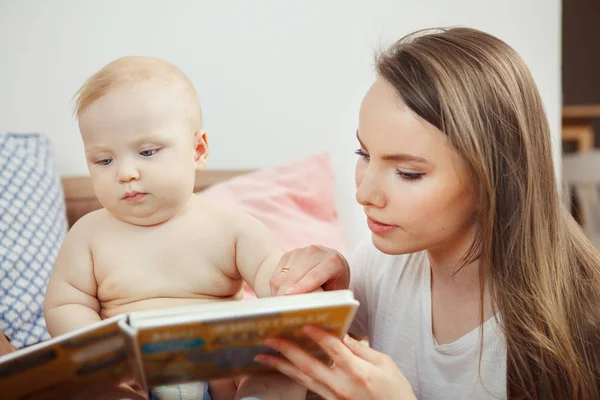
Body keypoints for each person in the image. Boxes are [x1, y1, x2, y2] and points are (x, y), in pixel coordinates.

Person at [266, 27, 600, 399]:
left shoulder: (582, 319)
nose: (364, 193)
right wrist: (320, 312)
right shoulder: (378, 266)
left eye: (408, 173)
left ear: (493, 176)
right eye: (364, 155)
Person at [43, 56, 307, 400]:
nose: (125, 172)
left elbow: (277, 279)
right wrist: (104, 358)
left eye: (147, 151)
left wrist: (297, 292)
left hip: (223, 370)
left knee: (284, 367)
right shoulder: (88, 234)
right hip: (134, 375)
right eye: (104, 160)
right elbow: (64, 305)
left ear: (198, 150)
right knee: (86, 386)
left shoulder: (231, 227)